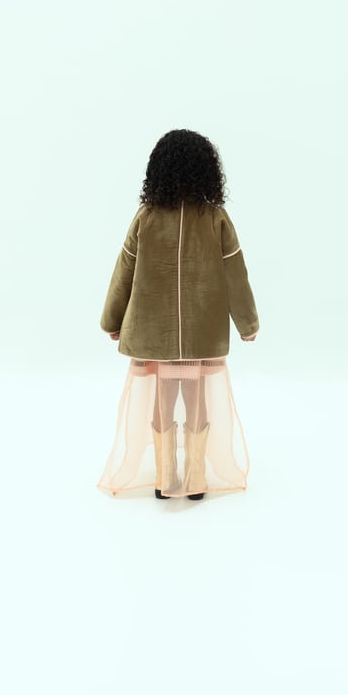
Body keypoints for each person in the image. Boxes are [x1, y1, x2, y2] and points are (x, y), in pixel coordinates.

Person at [97, 129, 259, 501]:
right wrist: (248, 324)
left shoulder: (147, 216)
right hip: (202, 332)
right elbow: (236, 273)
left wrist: (112, 319)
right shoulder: (215, 218)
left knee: (163, 399)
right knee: (197, 400)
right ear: (207, 170)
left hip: (155, 333)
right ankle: (195, 480)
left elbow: (124, 270)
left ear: (159, 169)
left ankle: (165, 479)